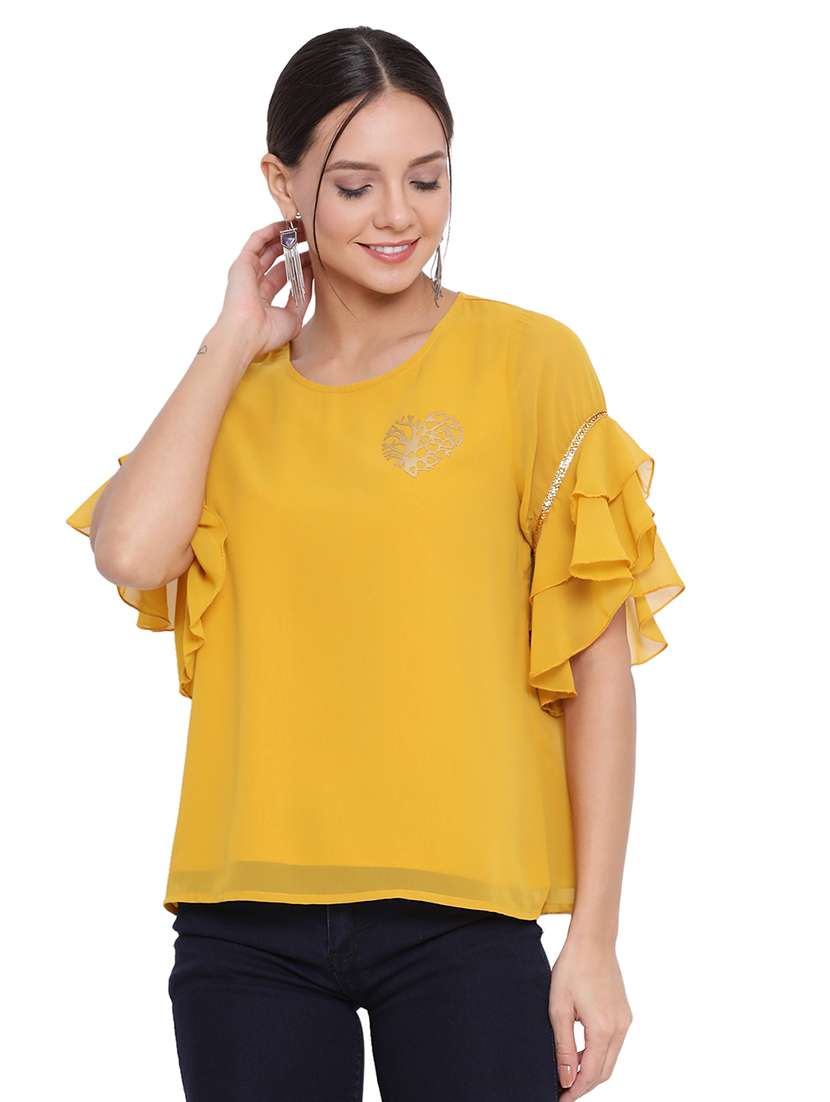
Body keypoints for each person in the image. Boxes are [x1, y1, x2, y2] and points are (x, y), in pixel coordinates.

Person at [65, 25, 685, 1102]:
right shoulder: (233, 397)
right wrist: (232, 337)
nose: (398, 215)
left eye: (426, 179)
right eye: (354, 186)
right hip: (244, 918)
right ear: (283, 185)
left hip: (465, 914)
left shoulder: (528, 361)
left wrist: (594, 936)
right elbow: (128, 551)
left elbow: (597, 665)